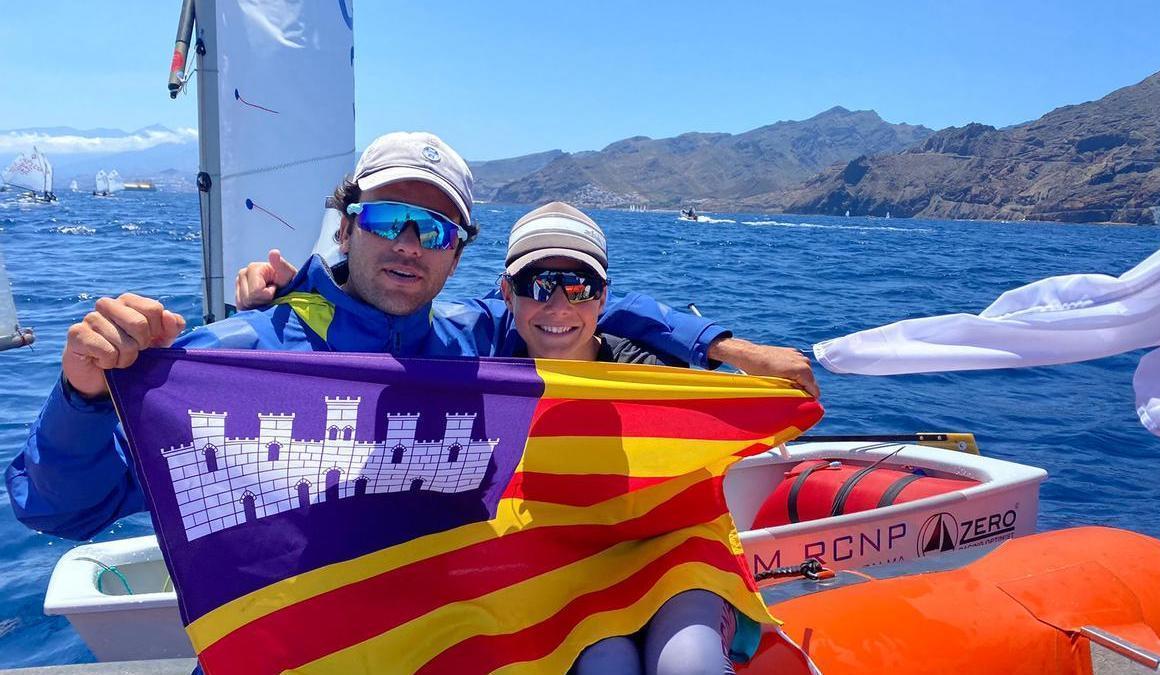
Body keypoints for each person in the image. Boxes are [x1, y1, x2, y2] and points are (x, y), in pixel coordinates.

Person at [7, 131, 816, 541]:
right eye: (388, 218)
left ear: (460, 251)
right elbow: (59, 510)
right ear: (347, 223)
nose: (407, 244)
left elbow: (583, 298)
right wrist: (82, 388)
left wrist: (722, 346)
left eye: (432, 228)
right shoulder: (235, 359)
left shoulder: (471, 338)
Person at [497, 202, 745, 675]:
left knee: (688, 666)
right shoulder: (485, 372)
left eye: (578, 287)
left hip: (668, 559)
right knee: (605, 666)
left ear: (602, 297)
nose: (559, 306)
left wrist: (738, 359)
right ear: (508, 293)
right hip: (560, 570)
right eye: (538, 284)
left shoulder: (652, 380)